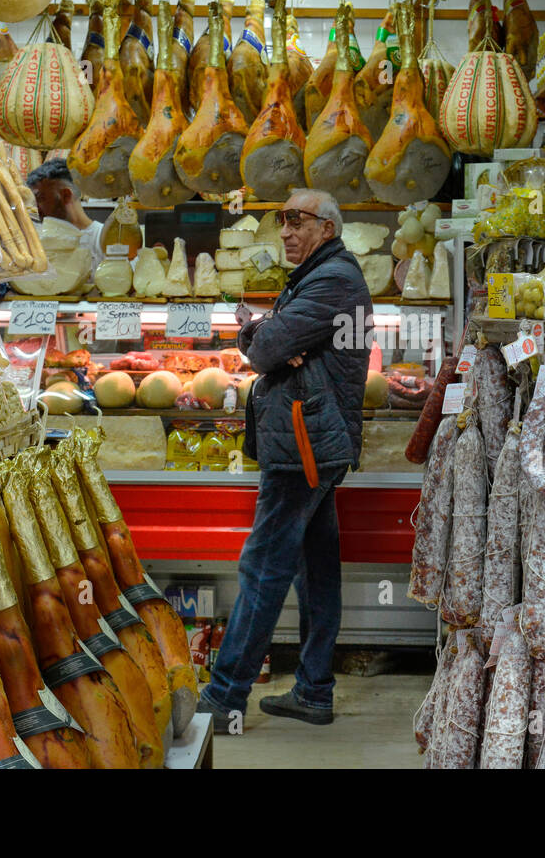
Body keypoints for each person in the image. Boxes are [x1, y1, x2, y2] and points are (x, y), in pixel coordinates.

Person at [196, 189, 372, 734]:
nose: (287, 232)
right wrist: (273, 338)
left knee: (264, 564)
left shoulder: (332, 278)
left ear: (327, 226)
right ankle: (314, 690)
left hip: (305, 444)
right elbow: (279, 344)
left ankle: (225, 696)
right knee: (315, 567)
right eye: (282, 221)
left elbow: (267, 349)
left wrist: (256, 334)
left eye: (297, 221)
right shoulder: (318, 274)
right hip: (311, 439)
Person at [25, 159, 104, 269]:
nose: (35, 208)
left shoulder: (103, 238)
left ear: (66, 196)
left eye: (40, 199)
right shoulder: (37, 243)